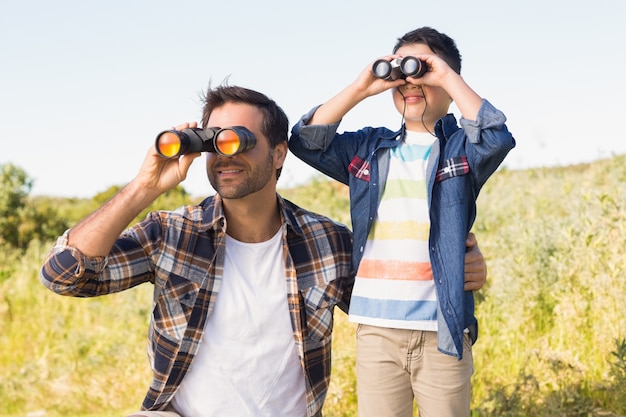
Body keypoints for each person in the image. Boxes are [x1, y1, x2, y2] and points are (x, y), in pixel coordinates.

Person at [40, 84, 487, 417]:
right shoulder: (172, 233)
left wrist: (462, 263)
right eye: (212, 142)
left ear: (278, 155)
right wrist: (145, 187)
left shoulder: (325, 244)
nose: (223, 155)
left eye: (237, 140)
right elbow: (64, 275)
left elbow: (399, 299)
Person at [289, 27, 515, 417]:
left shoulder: (461, 149)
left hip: (442, 330)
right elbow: (306, 140)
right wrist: (361, 87)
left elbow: (495, 137)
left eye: (422, 71)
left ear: (446, 78)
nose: (410, 83)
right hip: (376, 329)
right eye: (400, 73)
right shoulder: (368, 147)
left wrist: (443, 74)